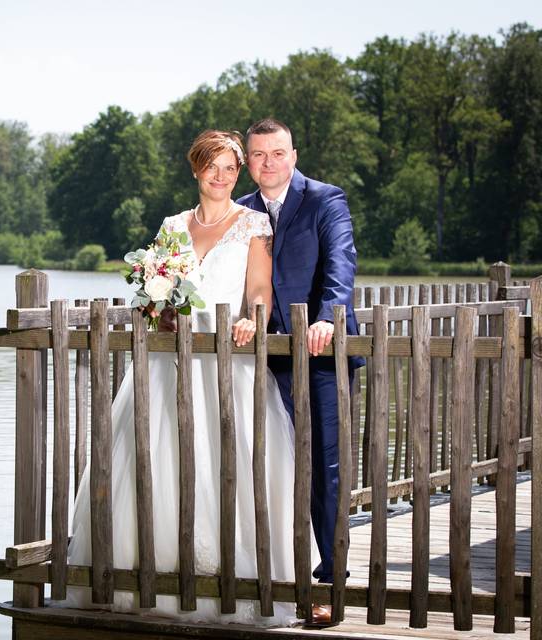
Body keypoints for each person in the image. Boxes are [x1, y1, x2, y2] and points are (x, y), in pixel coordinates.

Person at [62, 130, 314, 626]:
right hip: (166, 365)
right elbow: (154, 301)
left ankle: (234, 576)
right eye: (211, 167)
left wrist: (252, 318)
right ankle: (145, 572)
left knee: (229, 463)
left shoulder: (254, 225)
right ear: (196, 169)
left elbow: (260, 289)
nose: (220, 177)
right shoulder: (173, 226)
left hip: (226, 362)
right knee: (155, 460)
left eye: (229, 169)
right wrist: (160, 309)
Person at [237, 118, 362, 626]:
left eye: (278, 153)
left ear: (294, 152)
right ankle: (271, 571)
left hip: (321, 357)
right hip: (262, 360)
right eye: (259, 155)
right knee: (261, 464)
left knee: (322, 469)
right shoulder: (242, 212)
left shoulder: (324, 199)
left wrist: (329, 318)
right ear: (248, 160)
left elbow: (341, 265)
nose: (269, 163)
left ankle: (332, 577)